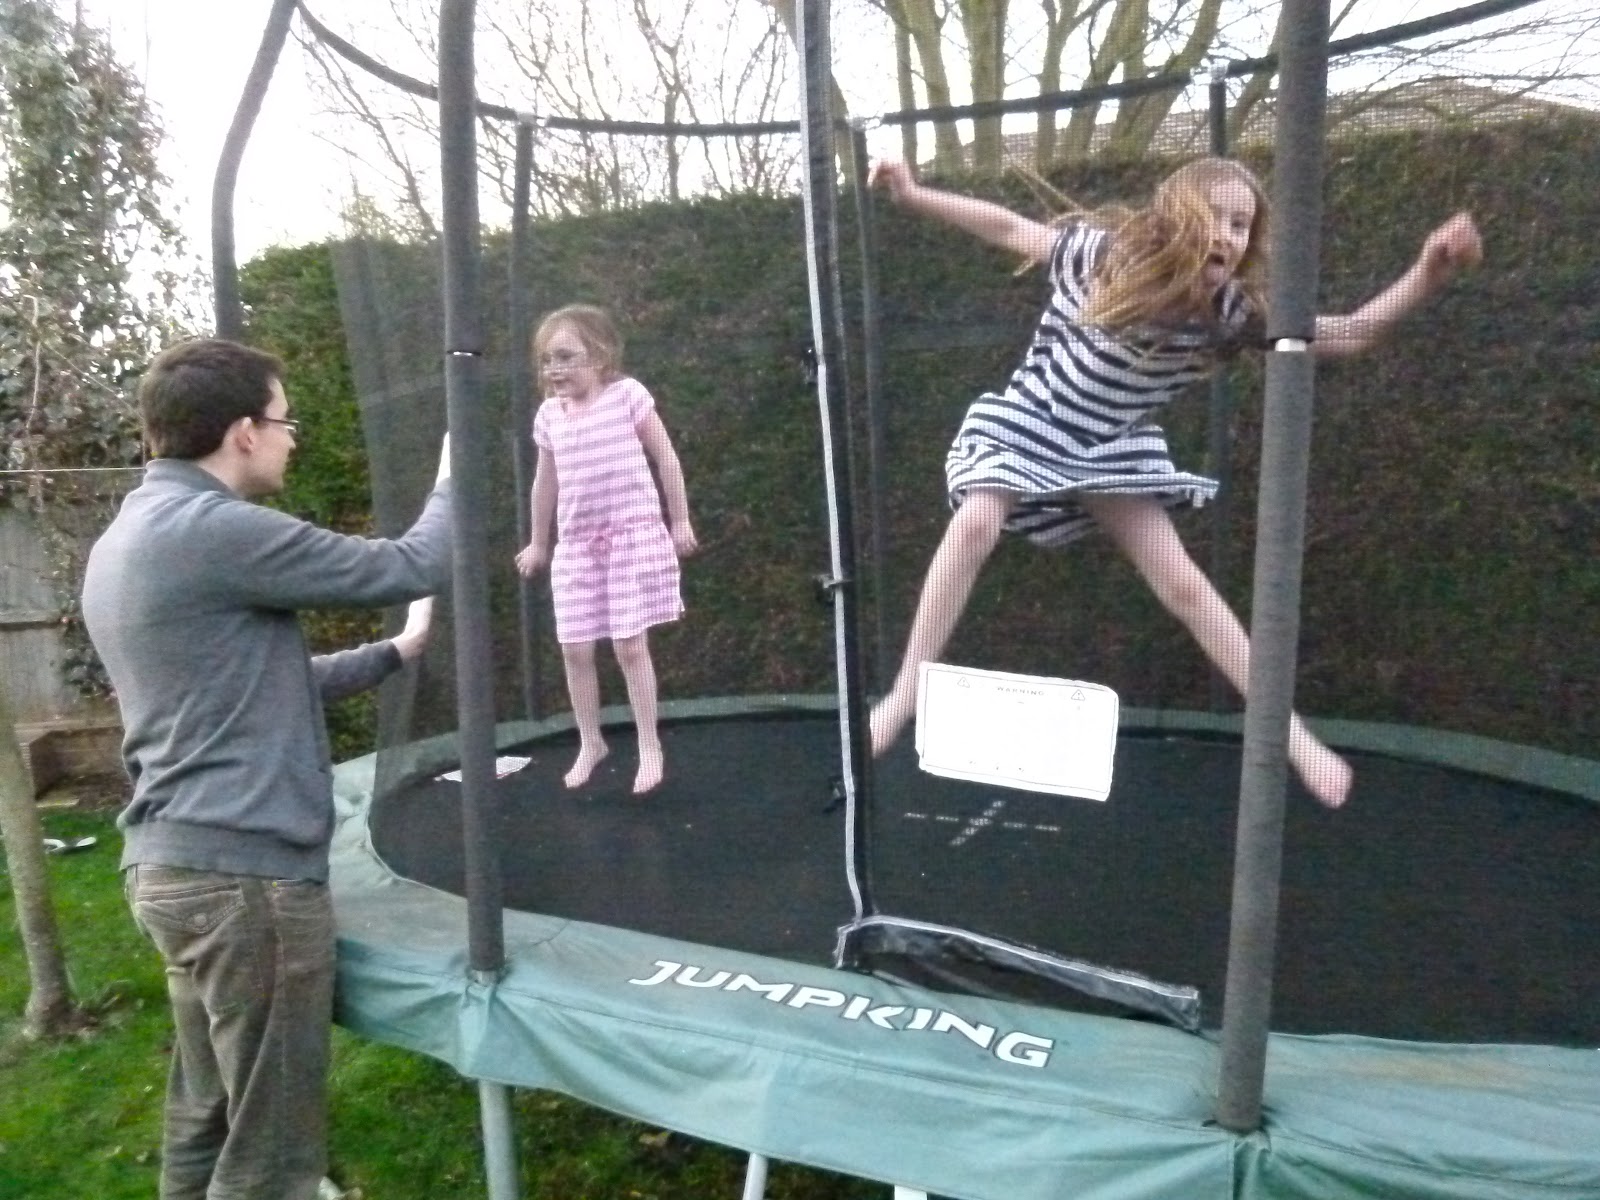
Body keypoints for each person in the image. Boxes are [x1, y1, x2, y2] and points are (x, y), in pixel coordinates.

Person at [866, 157, 1482, 809]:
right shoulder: (1102, 256)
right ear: (1174, 217)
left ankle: (1292, 734)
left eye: (1241, 225)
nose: (1228, 235)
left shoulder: (1229, 313)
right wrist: (914, 195)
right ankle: (905, 692)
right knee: (975, 523)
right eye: (1216, 217)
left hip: (1109, 451)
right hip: (1031, 423)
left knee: (1185, 585)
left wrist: (1425, 275)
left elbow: (1347, 334)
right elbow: (1009, 228)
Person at [80, 337, 452, 1200]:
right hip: (246, 886)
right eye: (286, 421)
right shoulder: (215, 529)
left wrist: (393, 652)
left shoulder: (133, 534)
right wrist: (452, 472)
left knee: (208, 1110)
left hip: (174, 872)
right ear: (243, 431)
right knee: (273, 1155)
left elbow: (251, 681)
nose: (292, 439)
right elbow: (415, 562)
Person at [513, 304, 697, 795]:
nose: (554, 369)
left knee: (629, 646)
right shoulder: (549, 416)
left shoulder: (626, 397)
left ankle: (649, 745)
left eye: (565, 357)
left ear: (598, 356)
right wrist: (538, 542)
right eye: (546, 360)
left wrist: (679, 519)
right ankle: (590, 741)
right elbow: (544, 485)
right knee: (574, 647)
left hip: (629, 539)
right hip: (578, 548)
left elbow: (665, 457)